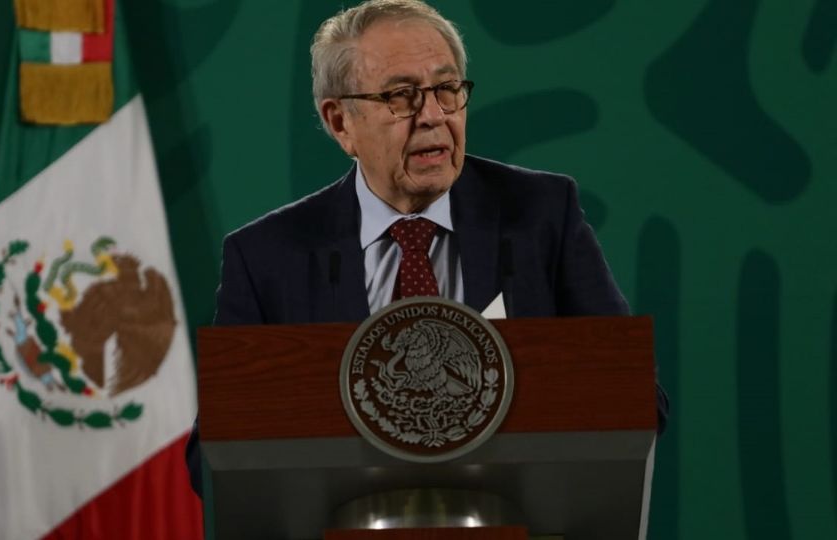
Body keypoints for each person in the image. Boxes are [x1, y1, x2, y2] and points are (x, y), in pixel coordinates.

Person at [187, 0, 666, 492]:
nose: (433, 116)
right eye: (401, 96)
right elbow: (214, 455)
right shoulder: (267, 256)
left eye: (447, 88)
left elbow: (634, 397)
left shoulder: (542, 214)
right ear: (340, 122)